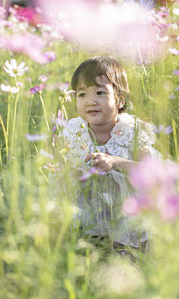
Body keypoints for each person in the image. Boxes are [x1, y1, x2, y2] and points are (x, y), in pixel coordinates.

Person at [63, 56, 159, 252]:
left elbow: (151, 174)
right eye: (82, 95)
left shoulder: (132, 131)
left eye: (100, 92)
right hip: (93, 216)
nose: (90, 101)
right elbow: (65, 172)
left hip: (131, 213)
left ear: (120, 99)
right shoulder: (75, 130)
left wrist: (116, 162)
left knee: (137, 253)